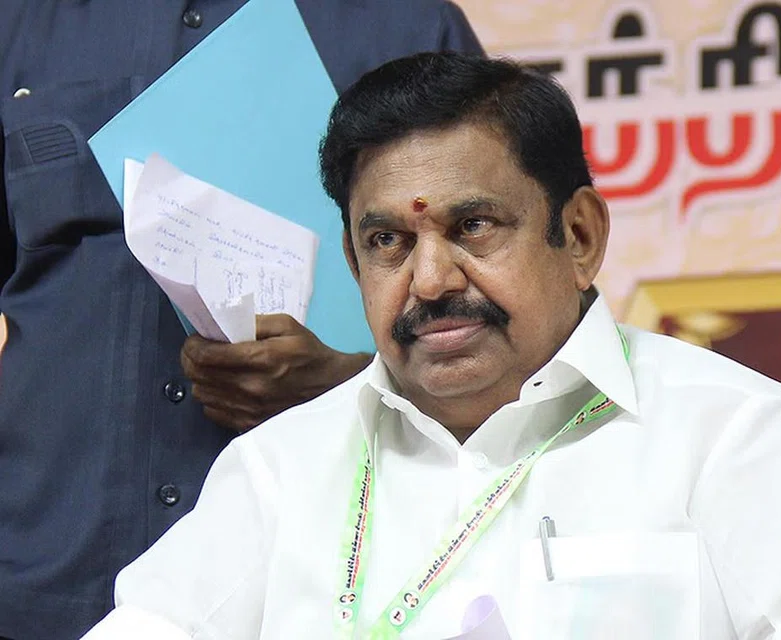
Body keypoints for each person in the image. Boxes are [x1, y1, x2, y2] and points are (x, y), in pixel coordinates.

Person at [80, 53, 781, 639]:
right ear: (353, 262)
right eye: (388, 242)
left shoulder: (730, 433)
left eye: (473, 227)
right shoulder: (281, 468)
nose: (429, 281)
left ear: (579, 236)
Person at [0, 4, 482, 639]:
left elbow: (509, 315)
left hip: (325, 585)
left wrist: (351, 383)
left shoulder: (405, 23)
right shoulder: (22, 21)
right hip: (46, 578)